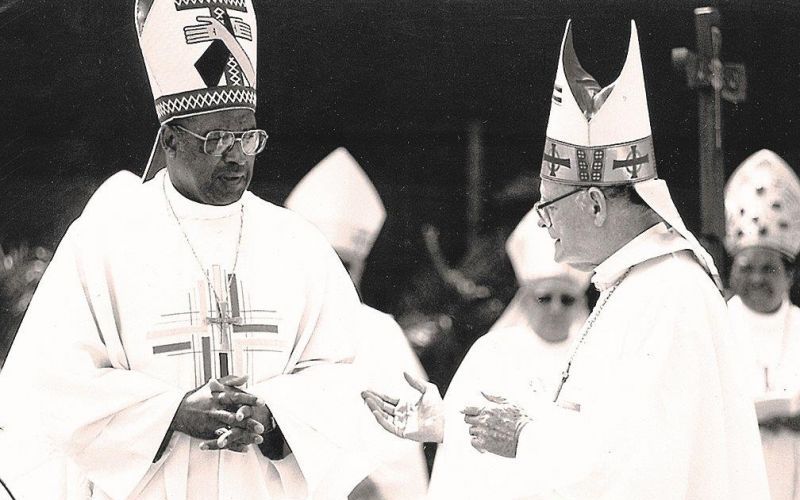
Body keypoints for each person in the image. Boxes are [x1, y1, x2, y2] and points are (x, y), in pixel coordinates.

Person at [364, 19, 769, 499]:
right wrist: (450, 423)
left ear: (595, 204)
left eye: (547, 205)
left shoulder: (672, 293)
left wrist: (525, 436)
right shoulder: (636, 287)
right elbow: (596, 435)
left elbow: (650, 461)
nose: (541, 222)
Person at [0, 1, 381, 498]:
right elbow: (47, 384)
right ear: (171, 141)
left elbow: (349, 377)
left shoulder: (297, 243)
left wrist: (275, 415)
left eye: (248, 136)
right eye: (218, 137)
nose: (237, 154)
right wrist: (171, 413)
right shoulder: (105, 239)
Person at [285, 148, 429, 499]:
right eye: (326, 262)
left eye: (345, 265)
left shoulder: (381, 333)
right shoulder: (272, 326)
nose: (334, 277)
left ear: (361, 267)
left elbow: (403, 450)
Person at [425, 209, 590, 499]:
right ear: (525, 300)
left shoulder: (594, 356)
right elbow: (462, 446)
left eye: (566, 299)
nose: (555, 309)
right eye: (544, 298)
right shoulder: (493, 352)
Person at [724, 149, 800, 500]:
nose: (756, 279)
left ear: (790, 274)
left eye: (767, 268)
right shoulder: (715, 328)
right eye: (746, 267)